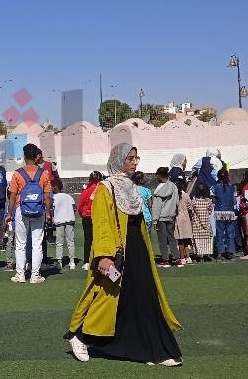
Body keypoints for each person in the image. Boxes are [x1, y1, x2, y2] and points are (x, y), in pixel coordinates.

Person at [65, 143, 182, 366]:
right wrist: (104, 256)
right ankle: (80, 335)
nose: (134, 162)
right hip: (116, 252)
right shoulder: (106, 188)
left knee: (144, 296)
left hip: (138, 250)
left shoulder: (131, 186)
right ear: (118, 160)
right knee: (109, 295)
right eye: (130, 158)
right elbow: (101, 223)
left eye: (136, 158)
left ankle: (152, 350)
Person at [5, 143, 52, 284]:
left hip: (21, 209)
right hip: (39, 210)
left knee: (20, 243)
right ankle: (35, 275)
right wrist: (48, 213)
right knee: (37, 243)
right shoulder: (44, 173)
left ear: (25, 156)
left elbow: (12, 196)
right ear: (36, 156)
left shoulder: (17, 173)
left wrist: (9, 213)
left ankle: (20, 274)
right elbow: (47, 196)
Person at [152, 167, 181, 267]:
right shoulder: (173, 186)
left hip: (161, 217)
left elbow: (157, 206)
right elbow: (177, 202)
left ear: (159, 175)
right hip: (171, 216)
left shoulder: (159, 188)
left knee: (162, 239)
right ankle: (176, 258)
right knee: (171, 238)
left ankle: (165, 260)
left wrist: (155, 220)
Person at [78, 171, 103, 271]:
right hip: (99, 217)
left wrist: (83, 214)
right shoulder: (102, 189)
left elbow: (80, 205)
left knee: (88, 240)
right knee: (100, 239)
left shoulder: (86, 190)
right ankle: (98, 260)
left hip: (87, 217)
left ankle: (87, 262)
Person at [52, 179, 77, 270]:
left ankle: (59, 262)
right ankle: (72, 262)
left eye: (52, 187)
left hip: (59, 221)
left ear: (55, 187)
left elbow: (51, 208)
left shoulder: (54, 197)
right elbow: (74, 208)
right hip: (70, 220)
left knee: (59, 242)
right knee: (70, 242)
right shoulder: (68, 196)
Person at [212, 168, 237, 260]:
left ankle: (220, 252)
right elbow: (234, 201)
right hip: (230, 212)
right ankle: (230, 251)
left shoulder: (214, 187)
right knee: (230, 233)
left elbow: (214, 200)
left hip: (219, 212)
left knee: (219, 233)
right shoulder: (232, 187)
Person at [190, 184, 214, 261]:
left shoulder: (193, 201)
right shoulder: (208, 201)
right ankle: (206, 254)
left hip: (196, 224)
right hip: (206, 223)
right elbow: (210, 211)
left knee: (197, 239)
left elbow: (191, 211)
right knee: (207, 239)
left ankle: (199, 255)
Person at [174, 180, 194, 265]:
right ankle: (188, 257)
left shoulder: (174, 196)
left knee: (180, 240)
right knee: (186, 240)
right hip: (186, 219)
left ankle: (182, 258)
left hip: (177, 219)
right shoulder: (186, 195)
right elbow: (190, 207)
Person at [132, 172, 154, 236]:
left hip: (134, 217)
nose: (145, 179)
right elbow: (150, 204)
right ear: (140, 180)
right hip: (146, 217)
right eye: (144, 178)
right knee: (147, 238)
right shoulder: (147, 190)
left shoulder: (131, 190)